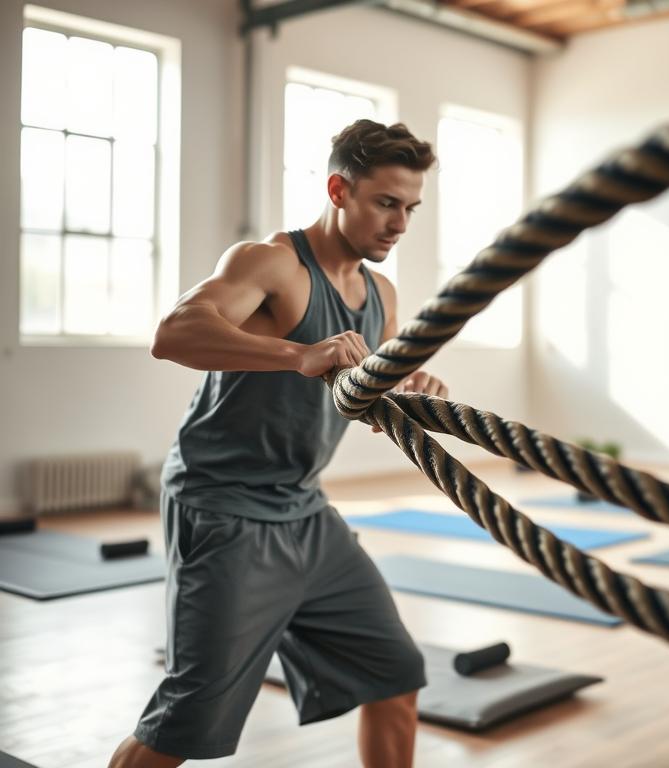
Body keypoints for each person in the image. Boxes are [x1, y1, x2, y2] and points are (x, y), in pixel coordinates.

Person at [109, 120, 448, 767]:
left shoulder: (380, 294)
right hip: (224, 511)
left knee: (396, 675)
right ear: (339, 190)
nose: (400, 222)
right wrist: (298, 353)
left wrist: (411, 391)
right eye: (386, 202)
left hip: (306, 515)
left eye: (410, 207)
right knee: (187, 718)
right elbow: (175, 333)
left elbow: (364, 392)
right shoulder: (270, 263)